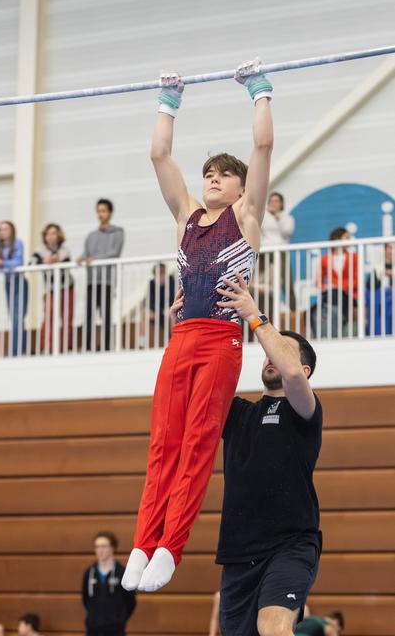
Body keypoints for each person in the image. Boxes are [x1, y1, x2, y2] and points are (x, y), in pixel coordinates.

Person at [122, 58, 274, 593]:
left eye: (223, 175)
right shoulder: (185, 214)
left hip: (220, 342)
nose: (213, 179)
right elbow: (159, 154)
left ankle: (170, 547)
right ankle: (142, 543)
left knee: (196, 444)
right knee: (162, 442)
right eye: (209, 172)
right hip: (181, 339)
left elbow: (262, 150)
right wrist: (169, 99)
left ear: (240, 189)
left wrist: (259, 91)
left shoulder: (247, 217)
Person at [206, 272, 322, 636]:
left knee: (273, 629)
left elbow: (289, 369)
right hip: (239, 551)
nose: (272, 356)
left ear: (304, 371)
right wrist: (182, 327)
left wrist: (254, 315)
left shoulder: (304, 409)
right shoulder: (238, 412)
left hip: (290, 545)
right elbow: (198, 381)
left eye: (282, 350)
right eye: (270, 350)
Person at [79, 199, 124, 351]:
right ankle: (86, 347)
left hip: (107, 280)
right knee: (89, 315)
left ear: (110, 213)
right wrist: (81, 258)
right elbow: (87, 253)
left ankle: (107, 347)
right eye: (98, 211)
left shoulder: (118, 232)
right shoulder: (91, 235)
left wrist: (94, 259)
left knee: (106, 315)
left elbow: (114, 253)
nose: (100, 214)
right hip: (92, 280)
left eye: (103, 211)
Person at [82, 531, 136, 636]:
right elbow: (86, 599)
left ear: (113, 548)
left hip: (116, 631)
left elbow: (131, 602)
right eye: (97, 547)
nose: (100, 550)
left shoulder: (122, 573)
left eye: (103, 546)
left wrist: (118, 619)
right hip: (93, 630)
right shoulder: (90, 573)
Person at [31, 223, 74, 352]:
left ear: (59, 235)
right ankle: (47, 347)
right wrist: (44, 261)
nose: (51, 236)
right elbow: (31, 262)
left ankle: (66, 346)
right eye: (48, 233)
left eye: (54, 233)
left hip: (66, 287)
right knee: (48, 316)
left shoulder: (64, 250)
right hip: (50, 289)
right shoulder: (40, 250)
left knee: (67, 317)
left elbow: (65, 264)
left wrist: (57, 260)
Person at [311, 227, 358, 338]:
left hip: (349, 295)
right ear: (337, 239)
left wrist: (338, 287)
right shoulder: (325, 259)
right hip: (332, 296)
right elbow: (318, 282)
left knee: (336, 294)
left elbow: (356, 280)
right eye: (346, 237)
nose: (349, 240)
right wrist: (325, 287)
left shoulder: (354, 257)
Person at [0, 220, 28, 356]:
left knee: (18, 317)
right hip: (8, 283)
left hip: (19, 282)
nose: (3, 232)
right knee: (13, 317)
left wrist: (2, 263)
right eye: (0, 229)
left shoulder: (18, 243)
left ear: (12, 230)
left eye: (5, 229)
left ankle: (18, 350)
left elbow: (18, 262)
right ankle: (18, 348)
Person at [260, 192, 296, 310]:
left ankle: (293, 310)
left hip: (280, 252)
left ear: (281, 204)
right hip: (265, 253)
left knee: (286, 282)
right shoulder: (263, 217)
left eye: (276, 201)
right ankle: (264, 310)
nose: (273, 203)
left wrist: (278, 216)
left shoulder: (287, 218)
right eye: (271, 201)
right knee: (262, 282)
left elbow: (287, 231)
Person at [138, 263, 176, 348]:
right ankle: (141, 343)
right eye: (158, 275)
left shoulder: (171, 281)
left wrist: (169, 308)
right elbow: (149, 302)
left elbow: (174, 297)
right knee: (144, 313)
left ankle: (174, 341)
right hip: (157, 312)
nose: (161, 277)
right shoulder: (152, 283)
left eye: (162, 274)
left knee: (172, 313)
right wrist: (161, 311)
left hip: (168, 312)